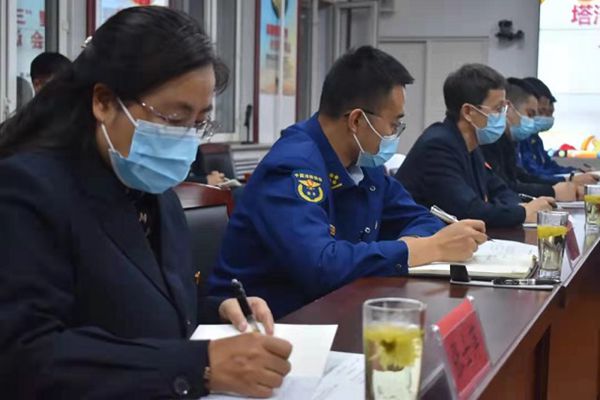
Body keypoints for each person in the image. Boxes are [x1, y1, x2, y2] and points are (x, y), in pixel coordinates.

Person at [0, 7, 291, 399]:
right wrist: (200, 365)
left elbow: (146, 314)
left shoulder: (154, 192)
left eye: (199, 122)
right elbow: (26, 356)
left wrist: (219, 311)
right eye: (173, 118)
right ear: (104, 101)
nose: (187, 139)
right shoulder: (27, 190)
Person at [208, 46, 488, 319]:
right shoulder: (293, 166)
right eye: (394, 124)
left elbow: (420, 217)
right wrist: (424, 249)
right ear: (356, 120)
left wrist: (415, 245)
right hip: (272, 322)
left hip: (337, 306)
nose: (395, 133)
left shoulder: (365, 164)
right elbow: (320, 265)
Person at [396, 64, 553, 228]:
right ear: (468, 112)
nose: (504, 116)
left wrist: (521, 208)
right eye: (498, 108)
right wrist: (523, 213)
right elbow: (468, 210)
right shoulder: (438, 146)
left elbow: (499, 189)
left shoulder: (471, 144)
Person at [480, 79, 578, 201]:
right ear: (509, 109)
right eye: (531, 114)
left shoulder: (508, 141)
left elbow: (520, 176)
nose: (533, 121)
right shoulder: (488, 142)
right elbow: (505, 188)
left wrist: (564, 182)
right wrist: (552, 191)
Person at [518, 77, 598, 185]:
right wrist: (570, 179)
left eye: (550, 113)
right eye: (541, 111)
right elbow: (531, 175)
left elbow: (549, 166)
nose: (546, 117)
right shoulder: (519, 139)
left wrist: (576, 173)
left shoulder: (535, 139)